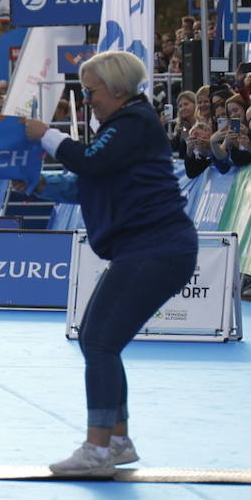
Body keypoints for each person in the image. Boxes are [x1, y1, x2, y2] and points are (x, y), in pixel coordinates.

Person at [23, 50, 198, 477]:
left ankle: (98, 449)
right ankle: (117, 442)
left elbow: (89, 163)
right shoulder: (125, 125)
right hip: (153, 249)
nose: (88, 100)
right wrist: (34, 181)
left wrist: (45, 135)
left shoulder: (133, 123)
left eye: (91, 91)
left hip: (154, 249)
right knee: (101, 342)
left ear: (118, 89)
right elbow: (86, 184)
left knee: (98, 342)